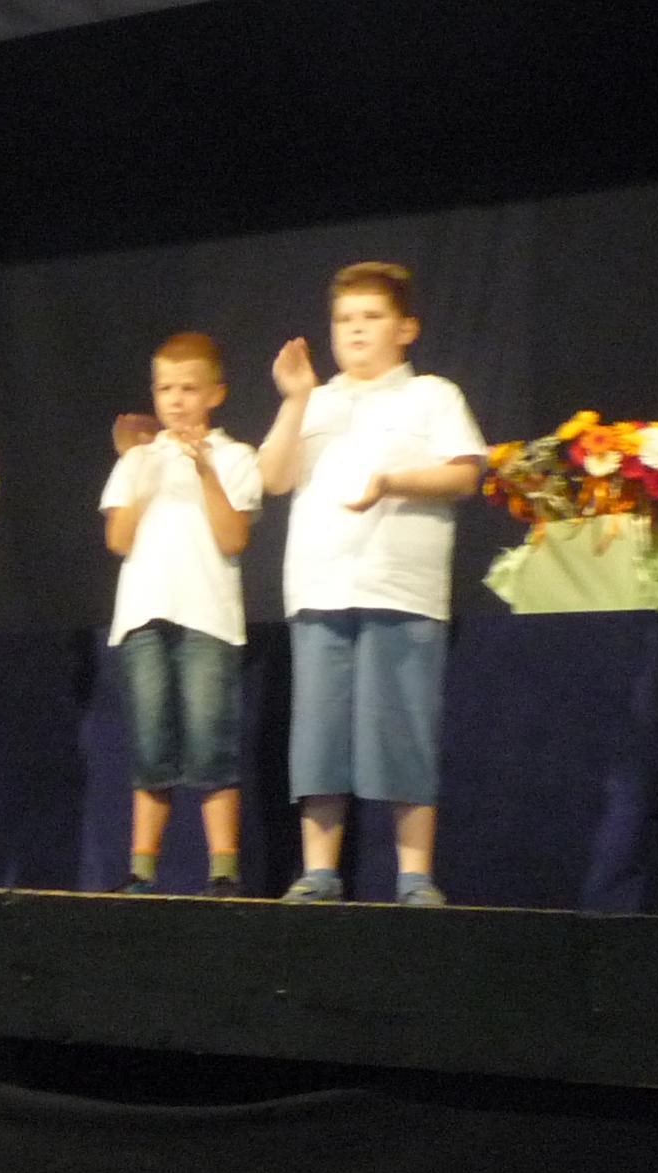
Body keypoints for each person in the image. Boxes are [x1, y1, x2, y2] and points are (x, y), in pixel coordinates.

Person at [259, 261, 486, 906]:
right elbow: (273, 479)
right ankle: (319, 872)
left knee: (403, 729)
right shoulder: (316, 401)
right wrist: (295, 399)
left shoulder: (432, 396)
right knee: (319, 732)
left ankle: (414, 876)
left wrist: (392, 481)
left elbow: (466, 474)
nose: (355, 330)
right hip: (319, 589)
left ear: (406, 328)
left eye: (371, 317)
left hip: (401, 589)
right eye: (344, 320)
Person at [102, 332, 262, 896]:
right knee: (151, 746)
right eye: (165, 388)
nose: (175, 399)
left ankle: (223, 870)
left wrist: (205, 470)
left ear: (215, 394)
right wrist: (141, 472)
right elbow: (119, 539)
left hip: (207, 617)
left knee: (210, 744)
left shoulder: (236, 456)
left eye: (189, 388)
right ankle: (141, 870)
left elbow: (233, 537)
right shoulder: (138, 459)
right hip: (143, 616)